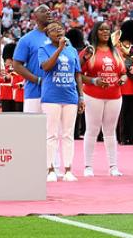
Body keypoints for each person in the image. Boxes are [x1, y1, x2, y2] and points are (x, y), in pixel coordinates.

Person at [80, 20, 127, 177]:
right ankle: (88, 166)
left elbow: (123, 72)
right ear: (95, 32)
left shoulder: (116, 52)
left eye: (107, 30)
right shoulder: (89, 51)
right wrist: (94, 81)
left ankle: (113, 166)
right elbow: (78, 73)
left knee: (110, 131)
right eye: (101, 30)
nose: (105, 32)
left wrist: (124, 79)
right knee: (92, 130)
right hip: (93, 95)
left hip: (114, 95)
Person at [39, 22, 84, 183]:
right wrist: (59, 49)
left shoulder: (72, 50)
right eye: (53, 30)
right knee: (51, 134)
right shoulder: (44, 49)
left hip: (70, 96)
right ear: (47, 34)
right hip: (51, 97)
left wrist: (81, 96)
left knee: (68, 134)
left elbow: (77, 74)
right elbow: (46, 67)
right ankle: (50, 169)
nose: (57, 31)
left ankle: (68, 169)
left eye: (60, 29)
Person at [12, 5, 52, 113]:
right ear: (35, 17)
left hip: (57, 94)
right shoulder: (26, 39)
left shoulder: (61, 39)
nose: (48, 13)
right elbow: (16, 65)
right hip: (35, 93)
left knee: (55, 129)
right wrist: (37, 80)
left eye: (49, 11)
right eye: (44, 11)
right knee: (33, 128)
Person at [117, 20, 133, 146]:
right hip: (121, 84)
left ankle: (131, 137)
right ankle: (121, 137)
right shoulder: (117, 47)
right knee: (122, 112)